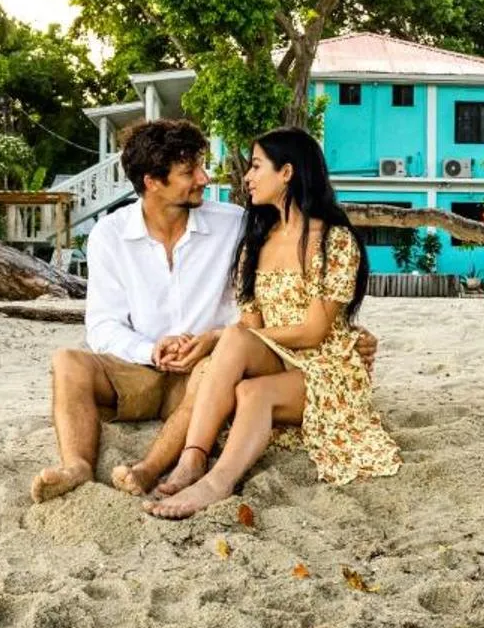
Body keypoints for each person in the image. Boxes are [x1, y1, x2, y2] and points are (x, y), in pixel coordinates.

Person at [145, 128, 400, 520]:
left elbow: (315, 331)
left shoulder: (334, 240)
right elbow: (249, 325)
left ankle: (217, 482)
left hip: (325, 368)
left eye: (257, 166)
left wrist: (219, 337)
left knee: (252, 391)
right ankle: (192, 459)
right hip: (277, 359)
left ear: (287, 173)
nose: (247, 176)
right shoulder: (256, 242)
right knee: (236, 338)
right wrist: (226, 339)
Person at [30, 120, 239, 502]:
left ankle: (148, 470)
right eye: (189, 171)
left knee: (214, 370)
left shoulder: (234, 225)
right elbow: (103, 323)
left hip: (205, 374)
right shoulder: (109, 235)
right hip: (138, 371)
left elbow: (263, 300)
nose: (204, 178)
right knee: (67, 361)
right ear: (152, 181)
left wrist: (211, 341)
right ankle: (76, 466)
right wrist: (152, 348)